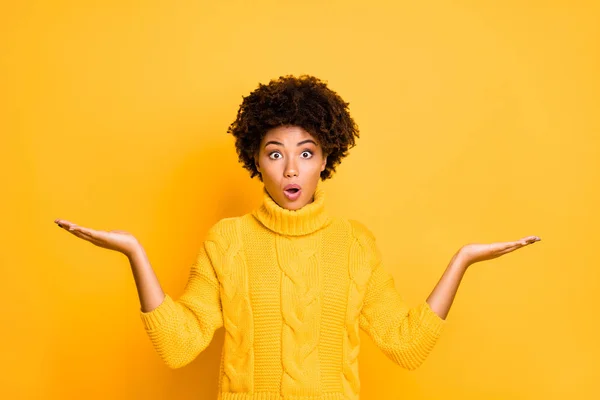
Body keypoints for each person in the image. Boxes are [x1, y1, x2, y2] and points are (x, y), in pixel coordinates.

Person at [54, 74, 541, 400]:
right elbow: (179, 346)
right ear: (255, 161)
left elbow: (406, 343)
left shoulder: (355, 245)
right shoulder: (228, 242)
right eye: (275, 153)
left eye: (306, 153)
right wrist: (134, 252)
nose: (291, 168)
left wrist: (462, 260)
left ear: (326, 159)